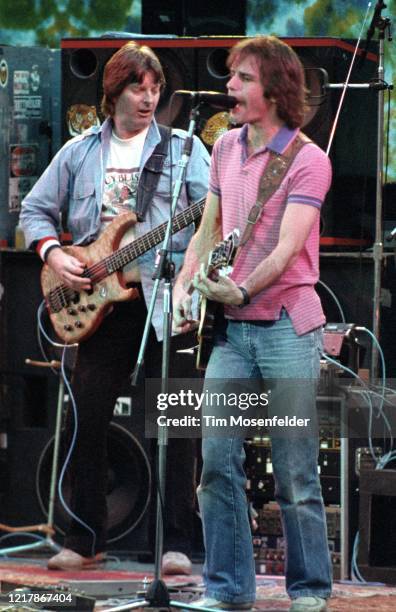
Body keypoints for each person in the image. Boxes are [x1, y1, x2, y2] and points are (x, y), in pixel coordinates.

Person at [20, 41, 210, 572]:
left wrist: (196, 259)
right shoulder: (80, 152)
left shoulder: (183, 149)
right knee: (87, 413)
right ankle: (85, 538)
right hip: (97, 300)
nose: (149, 99)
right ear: (114, 93)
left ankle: (177, 542)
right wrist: (54, 254)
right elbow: (35, 209)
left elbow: (215, 212)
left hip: (165, 294)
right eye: (137, 89)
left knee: (175, 418)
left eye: (155, 90)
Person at [173, 36, 332, 612]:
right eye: (232, 76)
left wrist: (241, 287)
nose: (229, 87)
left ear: (274, 89)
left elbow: (289, 248)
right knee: (216, 461)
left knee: (293, 469)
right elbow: (209, 228)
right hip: (233, 333)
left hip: (288, 327)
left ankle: (310, 591)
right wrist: (188, 279)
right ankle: (228, 589)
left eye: (241, 78)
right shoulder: (223, 149)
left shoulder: (309, 160)